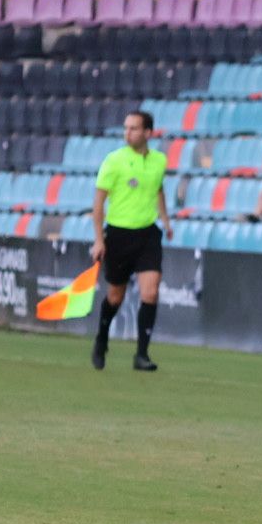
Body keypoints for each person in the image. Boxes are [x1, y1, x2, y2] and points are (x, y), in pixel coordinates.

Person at [90, 111, 172, 372]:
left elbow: (158, 188)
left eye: (134, 129)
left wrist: (165, 219)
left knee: (151, 291)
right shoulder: (114, 161)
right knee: (115, 296)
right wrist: (98, 240)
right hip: (118, 235)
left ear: (148, 133)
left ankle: (141, 354)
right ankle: (101, 339)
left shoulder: (159, 160)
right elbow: (98, 203)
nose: (128, 133)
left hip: (147, 233)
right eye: (126, 128)